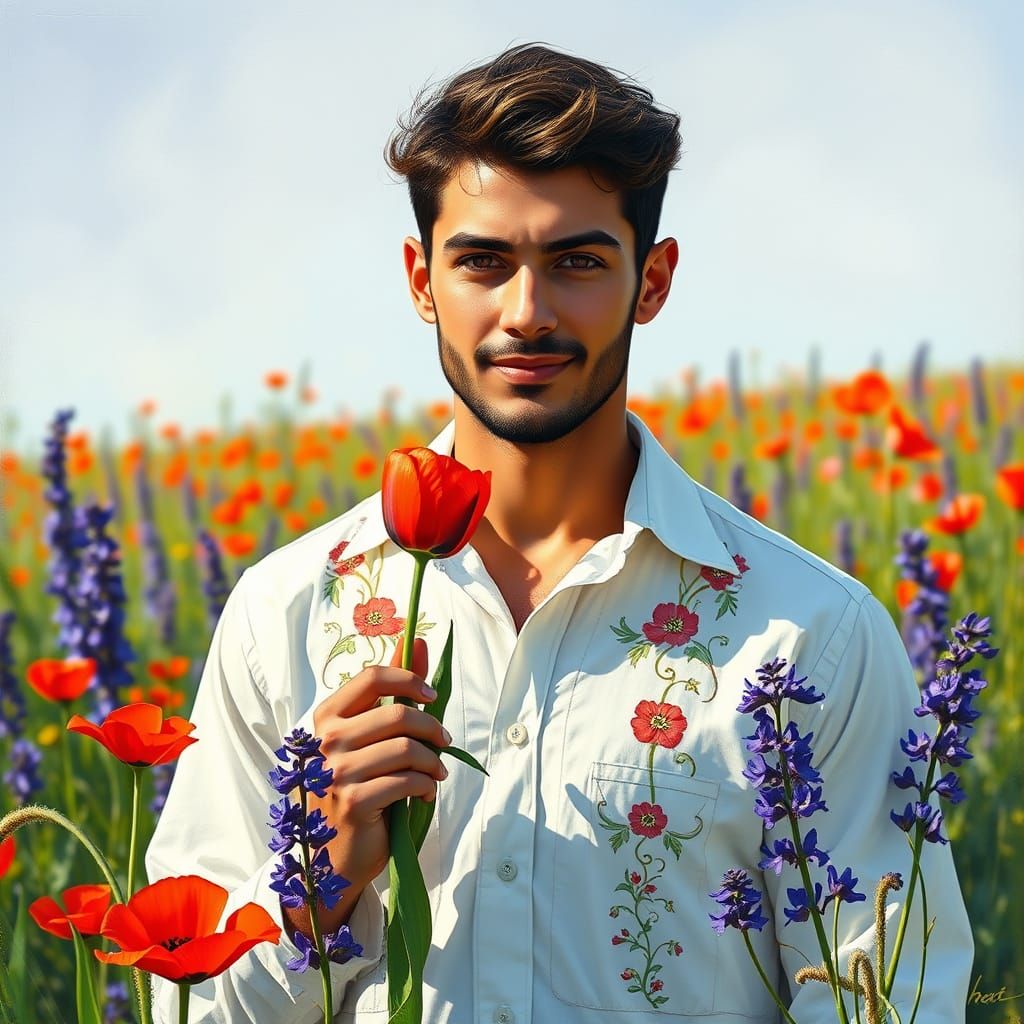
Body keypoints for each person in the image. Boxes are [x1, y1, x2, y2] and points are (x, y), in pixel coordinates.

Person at [146, 41, 973, 1023]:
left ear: (652, 281)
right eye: (482, 263)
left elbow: (893, 999)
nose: (526, 312)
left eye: (576, 261)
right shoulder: (284, 615)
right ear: (420, 280)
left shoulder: (809, 637)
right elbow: (183, 1008)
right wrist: (312, 883)